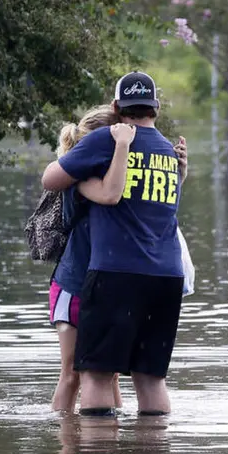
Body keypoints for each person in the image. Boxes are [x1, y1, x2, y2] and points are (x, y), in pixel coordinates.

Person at [42, 71, 188, 417]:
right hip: (167, 277)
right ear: (156, 108)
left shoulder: (108, 138)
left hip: (116, 274)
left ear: (116, 106)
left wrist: (82, 167)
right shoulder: (169, 152)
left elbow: (50, 180)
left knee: (96, 376)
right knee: (151, 380)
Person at [49, 105, 135, 412]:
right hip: (72, 285)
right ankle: (67, 448)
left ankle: (110, 447)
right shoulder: (83, 179)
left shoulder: (119, 174)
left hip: (104, 285)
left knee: (110, 374)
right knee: (72, 373)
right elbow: (111, 194)